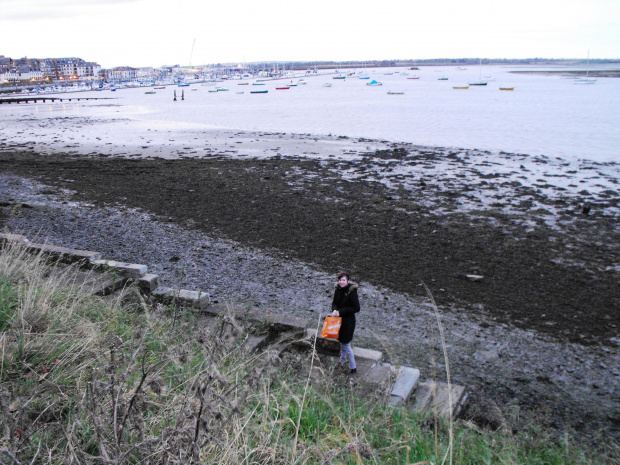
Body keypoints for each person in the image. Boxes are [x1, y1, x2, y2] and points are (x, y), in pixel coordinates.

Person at [331, 272, 360, 374]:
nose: (341, 282)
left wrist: (341, 311)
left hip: (348, 322)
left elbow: (356, 308)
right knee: (342, 342)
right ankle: (342, 362)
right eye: (340, 280)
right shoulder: (338, 289)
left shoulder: (352, 292)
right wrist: (334, 310)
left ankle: (353, 367)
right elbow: (334, 302)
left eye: (343, 280)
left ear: (348, 281)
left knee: (346, 344)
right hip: (339, 321)